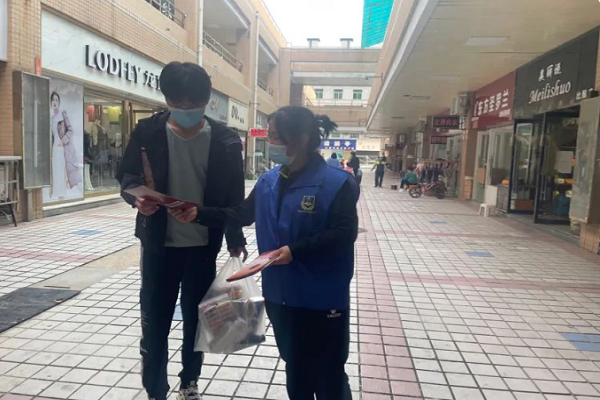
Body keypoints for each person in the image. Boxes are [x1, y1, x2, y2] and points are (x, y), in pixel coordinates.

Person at [171, 106, 359, 400]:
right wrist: (198, 213)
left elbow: (344, 233)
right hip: (281, 295)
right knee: (295, 366)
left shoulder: (337, 183)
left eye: (275, 137)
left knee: (329, 372)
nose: (270, 143)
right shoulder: (269, 181)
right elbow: (241, 214)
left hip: (323, 297)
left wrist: (294, 250)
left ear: (301, 138)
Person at [116, 62, 247, 400]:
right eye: (179, 103)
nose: (187, 110)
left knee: (197, 320)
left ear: (207, 100)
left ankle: (189, 382)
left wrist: (234, 237)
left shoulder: (226, 140)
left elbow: (234, 197)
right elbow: (127, 176)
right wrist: (137, 200)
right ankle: (155, 390)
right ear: (166, 98)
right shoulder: (147, 131)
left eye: (195, 103)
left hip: (202, 246)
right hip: (158, 246)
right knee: (154, 322)